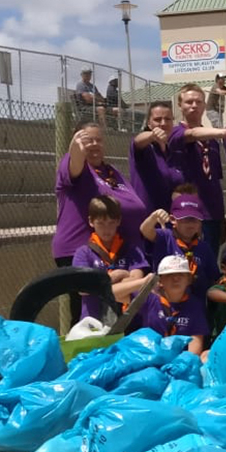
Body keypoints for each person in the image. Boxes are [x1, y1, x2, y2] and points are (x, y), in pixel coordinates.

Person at [53, 122, 148, 320]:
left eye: (98, 140)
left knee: (116, 311)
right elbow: (76, 160)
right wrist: (78, 147)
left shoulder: (111, 171)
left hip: (117, 249)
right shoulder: (74, 166)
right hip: (80, 250)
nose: (94, 144)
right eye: (88, 140)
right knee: (86, 312)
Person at [169, 84, 226, 248]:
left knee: (210, 265)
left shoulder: (212, 140)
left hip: (212, 214)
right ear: (180, 105)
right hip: (187, 213)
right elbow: (192, 134)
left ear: (204, 105)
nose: (194, 105)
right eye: (189, 102)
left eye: (198, 102)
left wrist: (221, 217)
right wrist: (224, 132)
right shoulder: (175, 132)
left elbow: (215, 180)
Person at [71, 196, 149, 322]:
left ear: (118, 221)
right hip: (93, 321)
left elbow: (137, 281)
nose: (106, 229)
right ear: (91, 221)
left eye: (111, 222)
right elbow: (83, 289)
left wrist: (97, 285)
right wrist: (114, 277)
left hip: (128, 322)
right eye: (100, 223)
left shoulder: (131, 249)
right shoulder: (84, 253)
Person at [140, 192, 219, 295]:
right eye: (185, 220)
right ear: (173, 220)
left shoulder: (204, 247)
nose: (190, 225)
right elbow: (145, 230)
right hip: (166, 300)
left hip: (195, 303)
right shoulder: (165, 238)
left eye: (195, 220)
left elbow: (214, 277)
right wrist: (154, 217)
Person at [131, 255, 210, 357]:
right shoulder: (148, 299)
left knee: (206, 356)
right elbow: (112, 293)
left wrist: (181, 365)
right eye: (169, 275)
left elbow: (195, 344)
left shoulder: (195, 305)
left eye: (181, 274)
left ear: (189, 280)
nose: (176, 278)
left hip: (180, 361)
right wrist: (142, 282)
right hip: (150, 358)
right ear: (160, 281)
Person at [128, 101, 185, 213]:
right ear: (149, 123)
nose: (163, 123)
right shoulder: (145, 149)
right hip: (148, 222)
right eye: (157, 119)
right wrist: (152, 135)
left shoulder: (174, 154)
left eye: (168, 119)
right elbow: (137, 141)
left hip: (170, 222)